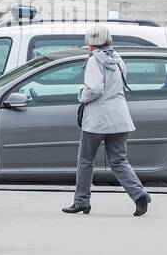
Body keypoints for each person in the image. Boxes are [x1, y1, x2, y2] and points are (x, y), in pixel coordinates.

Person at [62, 24, 150, 216]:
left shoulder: (94, 61)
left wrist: (81, 94)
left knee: (85, 160)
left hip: (98, 120)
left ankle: (81, 201)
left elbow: (94, 89)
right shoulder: (117, 59)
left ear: (91, 44)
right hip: (120, 117)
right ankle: (139, 194)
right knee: (118, 160)